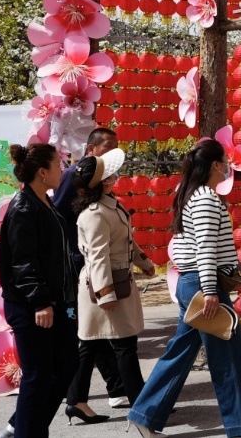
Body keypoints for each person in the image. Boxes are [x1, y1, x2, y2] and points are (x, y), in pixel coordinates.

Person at [128, 138, 241, 438]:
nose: (229, 167)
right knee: (229, 354)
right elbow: (205, 248)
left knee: (182, 352)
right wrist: (209, 290)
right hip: (202, 284)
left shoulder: (191, 194)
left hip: (193, 282)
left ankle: (144, 414)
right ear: (215, 165)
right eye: (226, 162)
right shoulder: (206, 199)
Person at [0, 143, 79, 438]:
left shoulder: (45, 203)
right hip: (31, 305)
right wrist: (40, 301)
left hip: (55, 301)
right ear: (43, 172)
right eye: (58, 165)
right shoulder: (24, 207)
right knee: (38, 376)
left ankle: (28, 428)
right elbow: (23, 261)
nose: (63, 170)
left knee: (66, 366)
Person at [52, 128, 128, 421]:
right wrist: (71, 256)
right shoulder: (77, 176)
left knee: (93, 334)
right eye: (107, 146)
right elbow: (59, 218)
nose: (112, 150)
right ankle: (125, 395)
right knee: (97, 334)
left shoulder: (101, 178)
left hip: (91, 264)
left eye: (116, 146)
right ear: (91, 149)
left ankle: (110, 391)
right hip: (81, 266)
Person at [73, 151, 155, 413]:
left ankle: (76, 401)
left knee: (91, 344)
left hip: (113, 280)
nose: (115, 176)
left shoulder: (109, 205)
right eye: (109, 174)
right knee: (124, 344)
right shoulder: (95, 213)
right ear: (103, 181)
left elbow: (126, 241)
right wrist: (106, 294)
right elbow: (98, 257)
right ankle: (142, 405)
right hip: (106, 284)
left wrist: (144, 262)